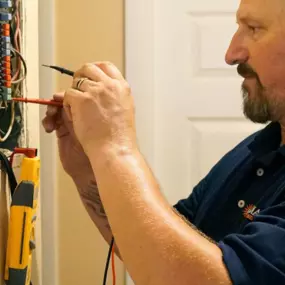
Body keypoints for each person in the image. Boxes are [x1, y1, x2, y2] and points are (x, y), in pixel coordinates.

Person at [42, 0, 285, 284]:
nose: (231, 54)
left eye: (254, 29)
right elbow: (157, 252)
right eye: (239, 27)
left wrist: (116, 148)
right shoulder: (257, 149)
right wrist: (89, 170)